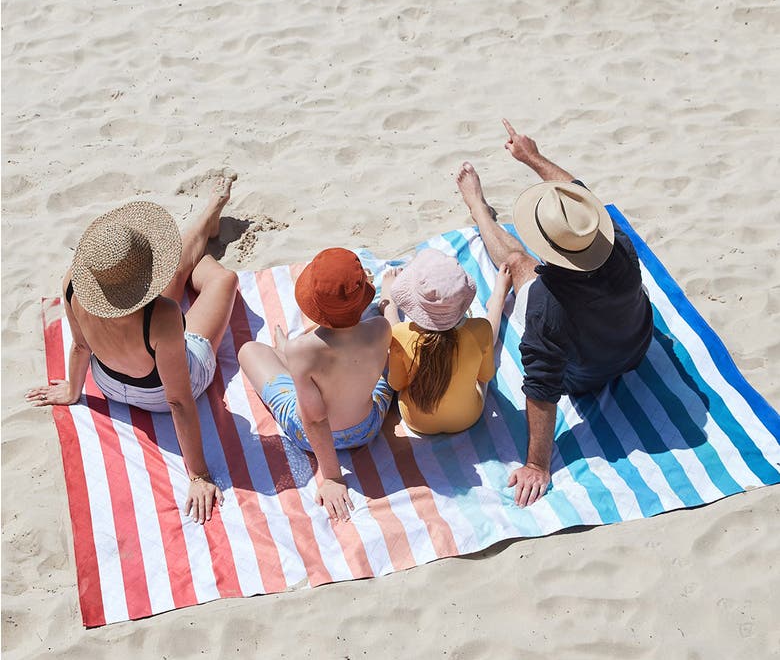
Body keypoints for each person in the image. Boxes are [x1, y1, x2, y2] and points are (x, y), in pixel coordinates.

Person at [456, 120, 653, 508]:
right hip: (636, 346)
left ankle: (480, 212)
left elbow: (543, 389)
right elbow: (582, 199)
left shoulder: (548, 305)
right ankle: (484, 211)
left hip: (586, 374)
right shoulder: (619, 246)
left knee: (515, 260)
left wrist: (536, 464)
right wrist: (532, 157)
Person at [27, 178, 239, 524]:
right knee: (224, 280)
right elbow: (179, 401)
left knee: (177, 274)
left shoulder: (71, 284)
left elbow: (80, 345)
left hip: (106, 383)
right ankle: (201, 243)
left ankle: (206, 221)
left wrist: (71, 391)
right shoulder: (165, 316)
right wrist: (198, 475)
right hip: (158, 394)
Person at [238, 247, 393, 522]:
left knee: (249, 350)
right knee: (380, 374)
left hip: (312, 437)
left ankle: (287, 360)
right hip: (369, 425)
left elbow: (315, 419)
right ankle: (298, 361)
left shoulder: (302, 351)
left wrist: (332, 477)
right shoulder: (381, 328)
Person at [379, 249, 513, 435]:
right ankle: (497, 301)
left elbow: (397, 384)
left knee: (394, 333)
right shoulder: (480, 329)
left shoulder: (400, 334)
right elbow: (485, 376)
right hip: (467, 418)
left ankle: (387, 303)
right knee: (487, 335)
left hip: (417, 421)